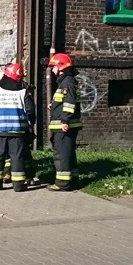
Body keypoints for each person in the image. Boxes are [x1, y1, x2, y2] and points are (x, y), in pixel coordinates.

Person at [0, 62, 36, 192]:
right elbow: (30, 111)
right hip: (17, 130)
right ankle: (18, 185)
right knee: (17, 157)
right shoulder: (23, 91)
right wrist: (30, 125)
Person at [47, 53, 81, 191]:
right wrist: (54, 105)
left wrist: (65, 120)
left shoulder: (67, 82)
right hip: (66, 123)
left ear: (60, 67)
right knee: (68, 153)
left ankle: (62, 183)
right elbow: (65, 101)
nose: (52, 70)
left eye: (54, 66)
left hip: (64, 125)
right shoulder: (66, 81)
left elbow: (69, 103)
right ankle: (73, 180)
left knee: (62, 154)